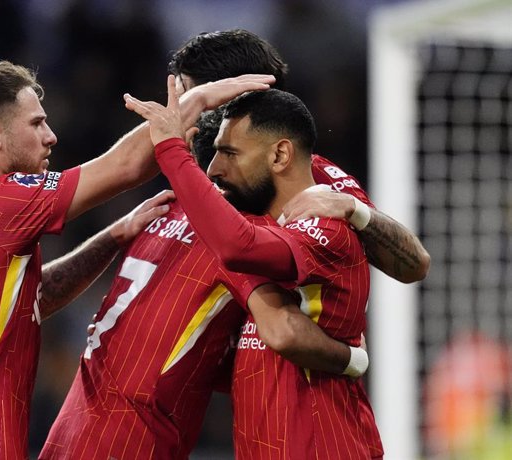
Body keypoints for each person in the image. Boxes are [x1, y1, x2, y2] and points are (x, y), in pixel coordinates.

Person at [0, 60, 274, 459]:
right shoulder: (0, 202)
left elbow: (28, 299)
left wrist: (112, 238)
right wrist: (194, 101)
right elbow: (127, 166)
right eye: (36, 124)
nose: (51, 136)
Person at [38, 115, 368, 460]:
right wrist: (353, 357)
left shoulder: (159, 211)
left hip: (73, 428)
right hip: (135, 439)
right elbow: (283, 331)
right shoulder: (234, 235)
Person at [125, 80, 383, 458]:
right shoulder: (272, 223)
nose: (215, 169)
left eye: (229, 153)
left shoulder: (326, 227)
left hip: (326, 446)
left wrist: (171, 150)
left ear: (280, 157)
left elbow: (237, 248)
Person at [168, 29, 430, 283]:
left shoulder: (313, 177)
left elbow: (414, 266)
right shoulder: (178, 178)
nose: (177, 113)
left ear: (229, 98)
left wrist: (357, 211)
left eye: (190, 100)